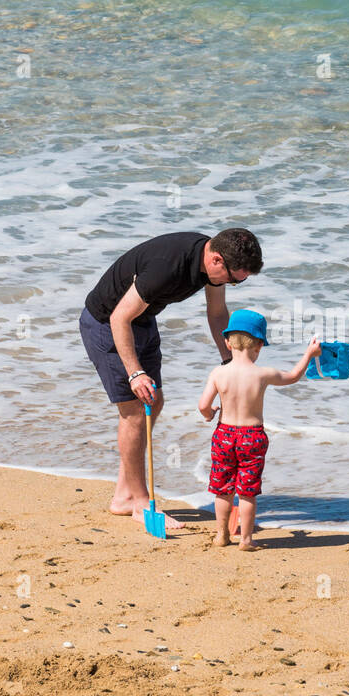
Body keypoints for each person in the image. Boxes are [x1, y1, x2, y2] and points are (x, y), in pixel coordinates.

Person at [80, 228, 263, 527]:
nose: (232, 283)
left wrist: (231, 361)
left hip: (142, 321)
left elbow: (217, 314)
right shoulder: (168, 267)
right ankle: (140, 504)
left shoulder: (213, 262)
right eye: (233, 279)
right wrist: (135, 373)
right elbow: (118, 318)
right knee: (135, 412)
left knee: (155, 402)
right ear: (217, 260)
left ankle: (124, 494)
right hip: (107, 323)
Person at [197, 309, 320, 550]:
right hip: (252, 437)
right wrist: (309, 353)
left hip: (224, 434)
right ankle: (246, 539)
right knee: (247, 491)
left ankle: (222, 535)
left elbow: (202, 405)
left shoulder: (219, 373)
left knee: (222, 489)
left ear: (227, 342)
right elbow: (293, 376)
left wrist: (211, 413)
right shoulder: (263, 374)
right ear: (259, 345)